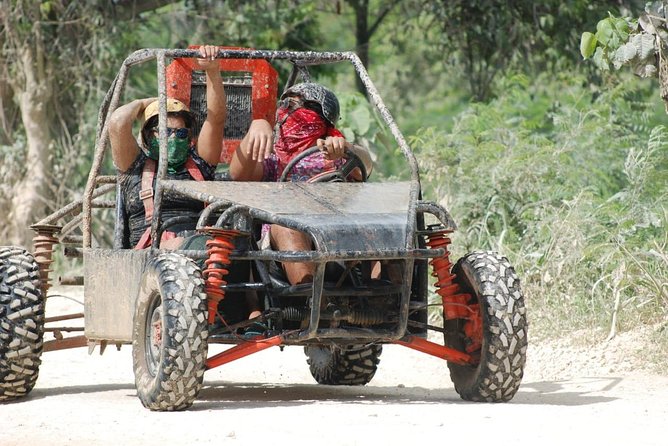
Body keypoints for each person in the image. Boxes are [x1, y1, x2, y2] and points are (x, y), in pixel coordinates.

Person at [229, 82, 373, 285]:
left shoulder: (337, 154)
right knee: (287, 227)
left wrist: (346, 148)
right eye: (286, 105)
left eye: (300, 107)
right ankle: (312, 302)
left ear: (323, 120)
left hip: (337, 240)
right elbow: (238, 174)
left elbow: (366, 164)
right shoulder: (273, 159)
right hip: (283, 248)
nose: (289, 113)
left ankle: (383, 298)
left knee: (383, 225)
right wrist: (256, 128)